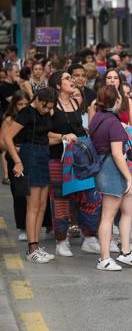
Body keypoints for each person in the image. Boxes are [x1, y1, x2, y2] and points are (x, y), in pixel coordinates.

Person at [47, 72, 102, 257]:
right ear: (57, 85)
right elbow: (43, 135)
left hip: (80, 159)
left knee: (89, 197)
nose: (72, 81)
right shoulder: (52, 106)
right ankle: (61, 240)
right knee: (61, 200)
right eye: (67, 79)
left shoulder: (76, 102)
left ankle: (89, 237)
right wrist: (63, 137)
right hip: (58, 160)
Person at [89, 85, 132, 271]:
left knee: (128, 209)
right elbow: (118, 154)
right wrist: (129, 177)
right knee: (108, 216)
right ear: (116, 100)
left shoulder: (97, 117)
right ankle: (104, 258)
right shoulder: (112, 122)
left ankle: (125, 252)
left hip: (107, 167)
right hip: (112, 169)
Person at [2, 88, 56, 263]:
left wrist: (64, 136)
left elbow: (45, 135)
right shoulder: (26, 113)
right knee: (32, 205)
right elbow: (7, 137)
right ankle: (31, 248)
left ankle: (36, 244)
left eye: (49, 108)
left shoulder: (45, 113)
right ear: (38, 99)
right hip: (29, 156)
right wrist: (17, 161)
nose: (47, 110)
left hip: (43, 155)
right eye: (45, 106)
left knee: (41, 205)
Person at [0, 91, 31, 241]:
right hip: (14, 158)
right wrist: (15, 148)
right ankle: (23, 227)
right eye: (20, 104)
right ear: (14, 105)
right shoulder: (9, 120)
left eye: (26, 104)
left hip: (31, 158)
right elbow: (2, 141)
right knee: (19, 194)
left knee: (34, 194)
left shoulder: (32, 117)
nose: (23, 107)